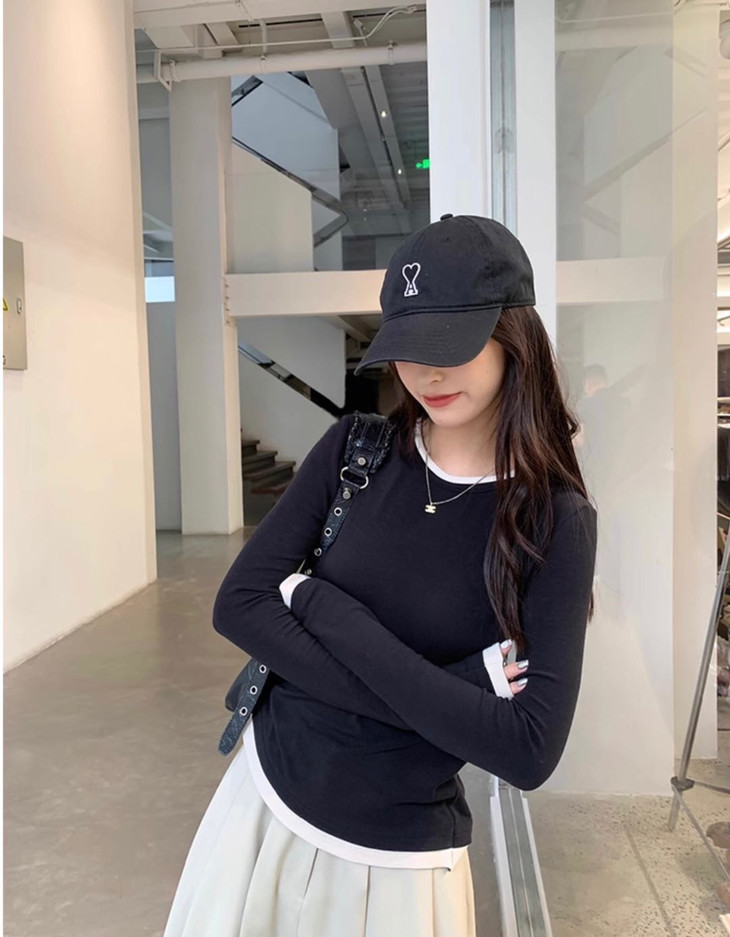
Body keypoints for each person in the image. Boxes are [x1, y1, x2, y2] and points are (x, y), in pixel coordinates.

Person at [161, 214, 598, 937]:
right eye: (407, 349)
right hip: (261, 801)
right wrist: (457, 687)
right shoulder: (355, 452)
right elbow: (238, 604)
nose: (425, 373)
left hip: (398, 861)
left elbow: (527, 750)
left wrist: (326, 612)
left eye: (449, 346)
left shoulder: (553, 519)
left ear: (513, 335)